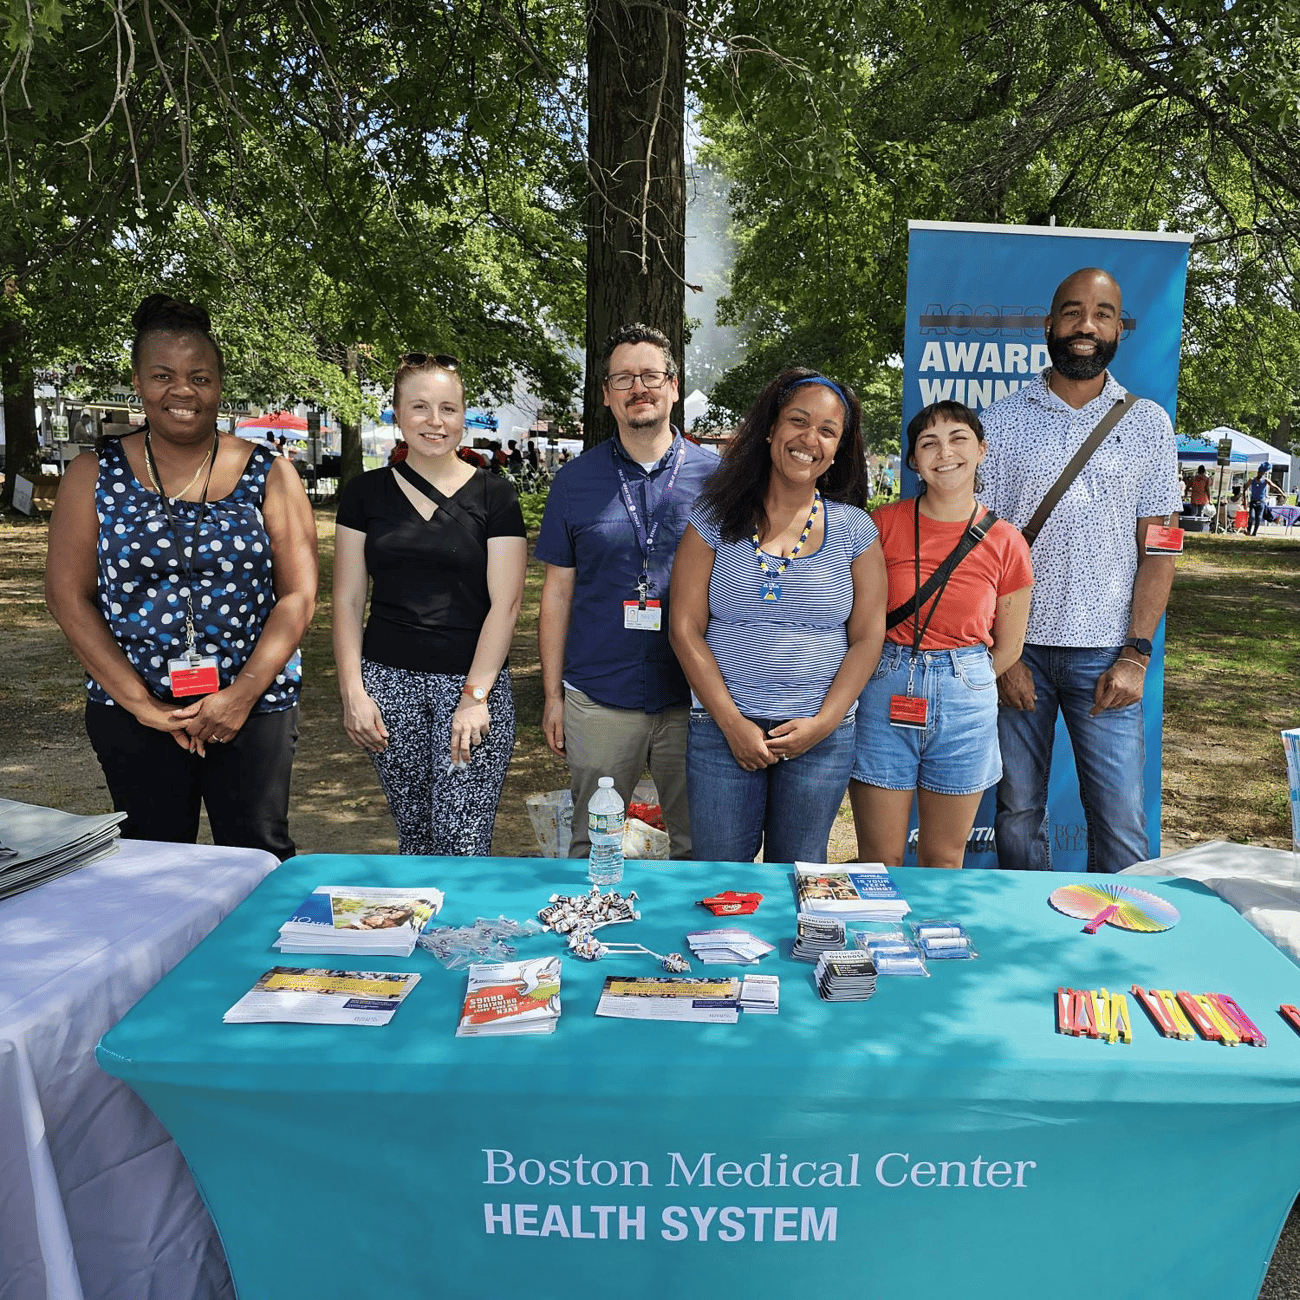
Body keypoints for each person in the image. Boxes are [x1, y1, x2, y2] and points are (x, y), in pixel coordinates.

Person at [45, 294, 317, 859]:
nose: (182, 391)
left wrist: (241, 695)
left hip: (253, 706)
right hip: (134, 710)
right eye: (162, 375)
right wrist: (142, 705)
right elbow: (68, 597)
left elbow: (298, 595)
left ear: (219, 385)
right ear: (138, 382)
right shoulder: (93, 474)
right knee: (152, 863)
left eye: (200, 377)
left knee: (258, 857)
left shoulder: (270, 473)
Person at [980, 267, 1181, 873]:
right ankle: (1028, 925)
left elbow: (1162, 549)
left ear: (1120, 329)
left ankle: (1118, 929)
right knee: (1016, 812)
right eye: (1072, 312)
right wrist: (1002, 656)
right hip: (1020, 651)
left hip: (1108, 656)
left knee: (1120, 819)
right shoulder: (1001, 421)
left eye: (1101, 314)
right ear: (1049, 324)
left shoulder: (1148, 425)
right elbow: (980, 550)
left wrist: (1136, 655)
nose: (1085, 326)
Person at [669, 368, 887, 864]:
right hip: (722, 732)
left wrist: (823, 724)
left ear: (838, 449)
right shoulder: (712, 519)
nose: (810, 439)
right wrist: (732, 724)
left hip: (819, 739)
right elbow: (684, 628)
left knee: (800, 875)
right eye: (798, 421)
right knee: (720, 881)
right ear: (771, 429)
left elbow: (868, 638)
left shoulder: (856, 530)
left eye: (828, 431)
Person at [333, 352, 527, 856]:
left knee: (462, 844)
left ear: (463, 417)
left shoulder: (496, 496)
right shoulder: (364, 494)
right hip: (387, 687)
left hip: (471, 685)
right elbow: (348, 600)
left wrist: (476, 696)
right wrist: (354, 693)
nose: (434, 421)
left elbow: (506, 604)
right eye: (419, 407)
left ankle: (460, 916)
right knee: (416, 841)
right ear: (398, 414)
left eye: (448, 408)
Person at [536, 322, 715, 859]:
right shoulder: (575, 482)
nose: (639, 388)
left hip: (695, 698)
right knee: (595, 848)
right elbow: (556, 596)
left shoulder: (719, 480)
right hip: (599, 698)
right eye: (623, 378)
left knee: (702, 849)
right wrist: (552, 697)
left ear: (674, 386)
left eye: (651, 376)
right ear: (607, 395)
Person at [849, 402, 1033, 870]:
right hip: (885, 685)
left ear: (981, 450)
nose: (944, 452)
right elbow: (857, 617)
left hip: (965, 697)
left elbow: (1010, 645)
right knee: (879, 858)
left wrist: (965, 678)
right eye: (929, 443)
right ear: (914, 460)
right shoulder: (882, 524)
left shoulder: (1007, 541)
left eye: (958, 439)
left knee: (944, 859)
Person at [1246, 463, 1273, 535]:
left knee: (1259, 518)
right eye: (1259, 472)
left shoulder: (1265, 480)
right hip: (1253, 501)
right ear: (1258, 472)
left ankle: (1254, 532)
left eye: (1262, 473)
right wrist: (1244, 498)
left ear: (1263, 473)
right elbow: (1245, 487)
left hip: (1261, 502)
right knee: (1252, 517)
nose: (1260, 474)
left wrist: (1282, 493)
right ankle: (1248, 530)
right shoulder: (1252, 480)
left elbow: (1274, 486)